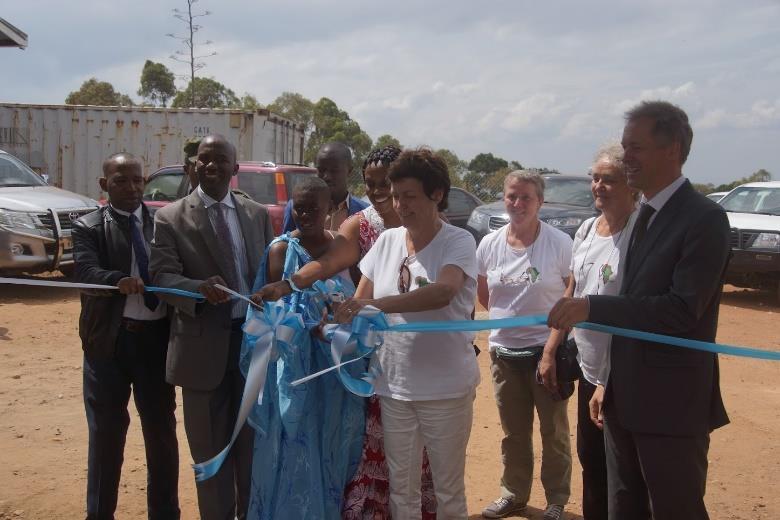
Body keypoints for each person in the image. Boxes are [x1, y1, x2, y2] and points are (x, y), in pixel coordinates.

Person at [548, 100, 731, 520]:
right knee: (622, 506)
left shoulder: (703, 218)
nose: (625, 157)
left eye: (636, 148)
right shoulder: (644, 215)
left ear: (672, 149)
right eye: (625, 147)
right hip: (623, 397)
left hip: (670, 403)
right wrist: (608, 382)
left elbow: (681, 311)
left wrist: (591, 307)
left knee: (673, 508)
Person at [254, 145, 439, 519]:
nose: (378, 191)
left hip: (423, 355)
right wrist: (291, 285)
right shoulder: (359, 225)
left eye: (386, 183)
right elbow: (326, 265)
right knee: (369, 442)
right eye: (370, 184)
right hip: (364, 353)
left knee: (418, 451)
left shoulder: (432, 226)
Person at [334, 148, 479, 519]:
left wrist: (379, 306)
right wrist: (335, 317)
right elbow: (359, 301)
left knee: (448, 491)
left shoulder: (458, 242)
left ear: (437, 194)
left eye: (409, 196)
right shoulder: (386, 241)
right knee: (402, 490)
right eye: (396, 196)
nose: (400, 205)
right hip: (394, 387)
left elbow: (443, 291)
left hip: (445, 391)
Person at [149, 134, 275, 520]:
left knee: (252, 455)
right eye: (204, 159)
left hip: (251, 352)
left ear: (235, 169)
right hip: (201, 356)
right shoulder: (170, 218)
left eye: (221, 159)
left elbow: (271, 271)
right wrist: (197, 290)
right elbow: (161, 276)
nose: (211, 166)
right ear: (193, 167)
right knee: (210, 457)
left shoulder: (255, 215)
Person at [242, 176, 365, 519]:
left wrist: (340, 325)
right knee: (292, 449)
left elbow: (358, 302)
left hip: (338, 372)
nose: (306, 214)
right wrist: (305, 330)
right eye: (300, 207)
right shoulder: (281, 250)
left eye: (314, 207)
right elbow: (269, 318)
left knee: (334, 449)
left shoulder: (345, 249)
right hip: (295, 375)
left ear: (330, 210)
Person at [73, 152, 179, 520]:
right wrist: (114, 282)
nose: (133, 188)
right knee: (106, 435)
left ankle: (165, 514)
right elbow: (84, 271)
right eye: (121, 181)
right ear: (104, 185)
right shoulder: (87, 226)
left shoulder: (163, 222)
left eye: (138, 180)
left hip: (155, 342)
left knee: (161, 432)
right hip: (108, 344)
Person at [538, 144, 637, 520]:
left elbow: (636, 309)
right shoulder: (585, 229)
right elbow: (572, 293)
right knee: (592, 464)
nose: (598, 186)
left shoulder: (639, 234)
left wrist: (608, 383)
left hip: (624, 377)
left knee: (625, 475)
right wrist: (551, 349)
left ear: (631, 185)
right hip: (589, 369)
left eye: (608, 179)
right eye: (595, 178)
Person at [478, 170, 573, 520]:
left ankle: (556, 501)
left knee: (554, 433)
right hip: (504, 354)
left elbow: (570, 292)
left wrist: (550, 349)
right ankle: (514, 493)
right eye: (512, 197)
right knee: (513, 433)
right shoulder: (489, 244)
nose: (518, 204)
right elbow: (485, 291)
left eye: (526, 198)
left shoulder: (559, 243)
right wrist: (509, 324)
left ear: (540, 202)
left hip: (546, 353)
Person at [281, 142, 368, 234]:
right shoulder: (296, 208)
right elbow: (287, 243)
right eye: (321, 170)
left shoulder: (365, 212)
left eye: (334, 171)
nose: (327, 177)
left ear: (349, 171)